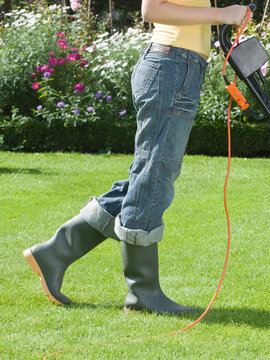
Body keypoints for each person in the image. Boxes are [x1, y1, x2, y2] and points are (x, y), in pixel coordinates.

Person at [23, 0, 251, 315]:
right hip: (172, 67)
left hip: (179, 68)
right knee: (153, 178)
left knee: (148, 176)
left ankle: (54, 254)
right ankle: (142, 293)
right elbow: (152, 9)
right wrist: (221, 15)